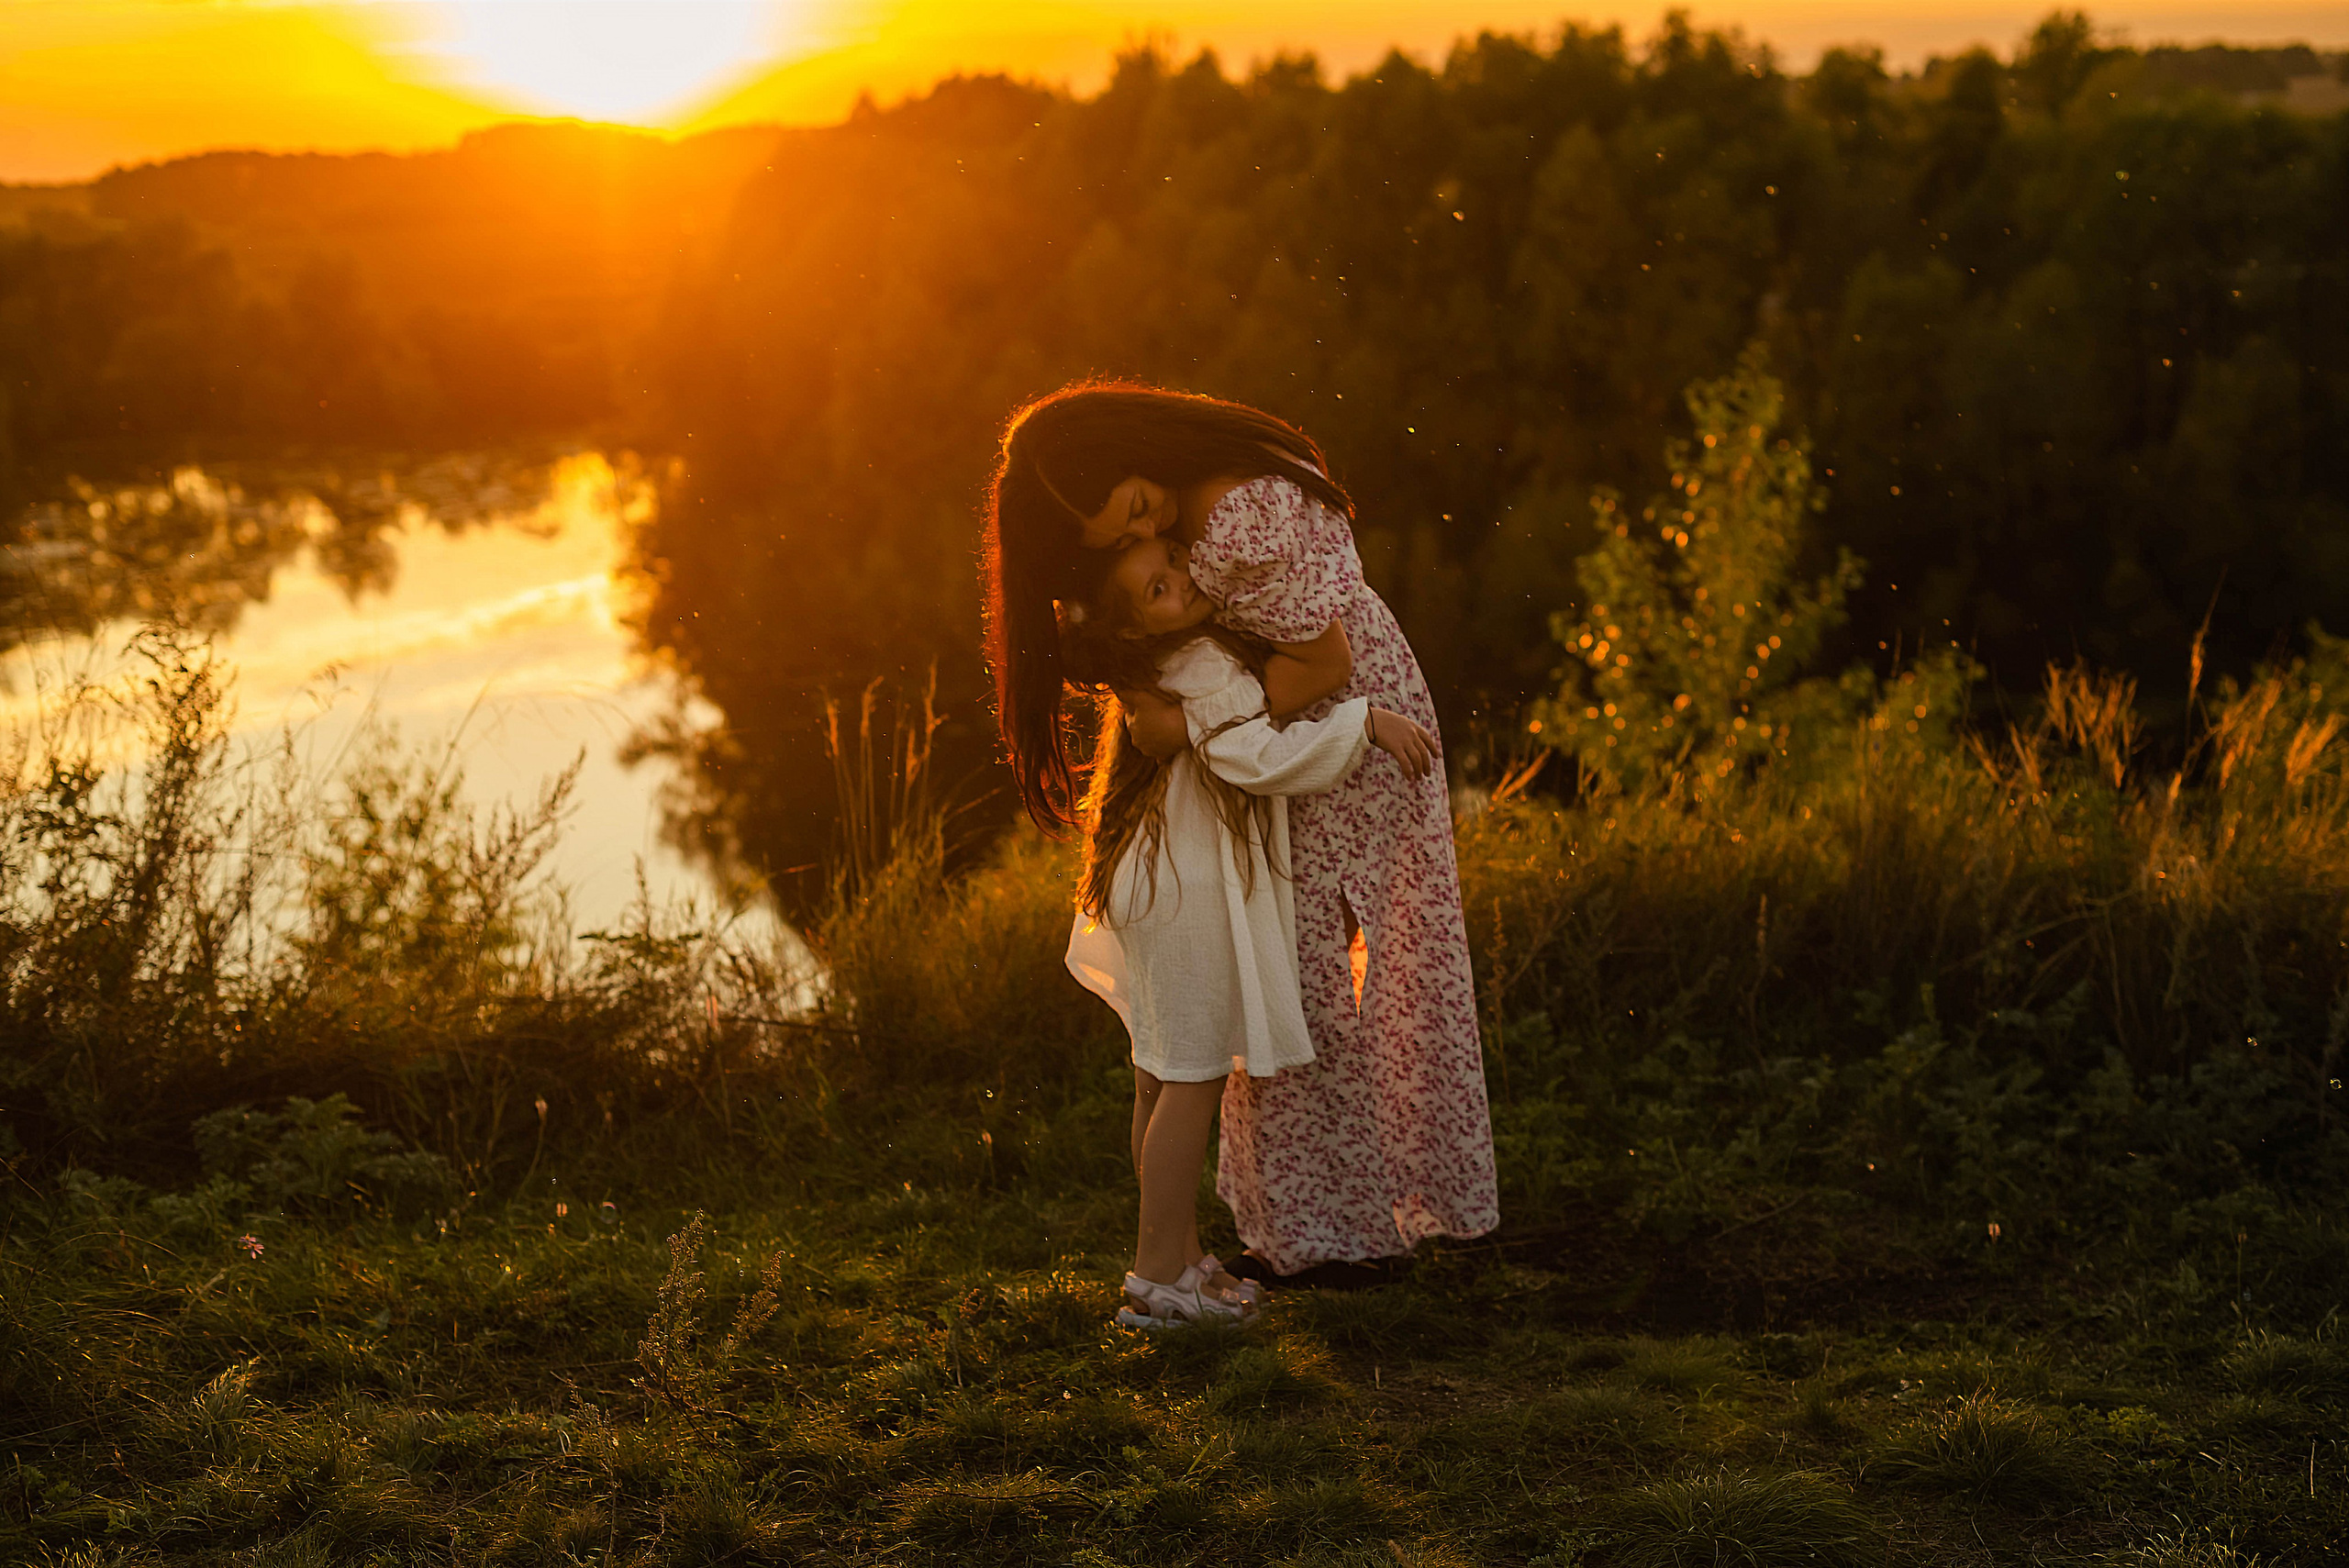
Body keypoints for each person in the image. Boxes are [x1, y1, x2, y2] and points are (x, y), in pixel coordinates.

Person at [982, 381, 1499, 1284]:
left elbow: (1323, 661)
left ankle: (1338, 1229)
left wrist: (1191, 723)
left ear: (1129, 449)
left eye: (1137, 510)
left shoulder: (1230, 508)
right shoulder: (1181, 519)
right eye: (1121, 539)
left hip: (1331, 727)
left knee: (1319, 983)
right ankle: (1305, 1225)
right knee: (1294, 980)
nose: (1148, 534)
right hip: (1289, 739)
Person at [1057, 536, 1439, 1328]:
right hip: (1187, 890)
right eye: (1158, 588)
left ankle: (1183, 1258)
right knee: (1191, 1079)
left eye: (1171, 562)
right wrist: (1364, 722)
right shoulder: (1202, 663)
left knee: (1159, 1077)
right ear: (1133, 626)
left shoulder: (1158, 670)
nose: (1182, 579)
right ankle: (1156, 1278)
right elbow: (1260, 758)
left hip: (1153, 879)